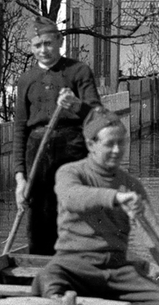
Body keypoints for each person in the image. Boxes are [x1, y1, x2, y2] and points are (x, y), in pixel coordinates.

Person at [32, 108, 159, 305]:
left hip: (116, 269)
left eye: (121, 143)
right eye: (110, 144)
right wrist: (115, 197)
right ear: (91, 145)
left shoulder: (132, 185)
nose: (117, 150)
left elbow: (152, 232)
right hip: (74, 265)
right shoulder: (70, 172)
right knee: (47, 278)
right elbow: (72, 197)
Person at [13, 18, 102, 255]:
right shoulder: (26, 80)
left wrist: (74, 104)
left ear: (60, 41)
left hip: (72, 147)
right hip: (37, 149)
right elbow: (20, 128)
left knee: (72, 208)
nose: (44, 50)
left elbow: (97, 115)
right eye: (37, 45)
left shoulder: (78, 71)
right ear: (30, 47)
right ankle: (40, 267)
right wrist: (20, 178)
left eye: (49, 43)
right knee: (38, 213)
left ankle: (77, 262)